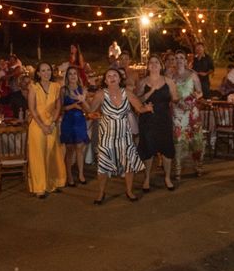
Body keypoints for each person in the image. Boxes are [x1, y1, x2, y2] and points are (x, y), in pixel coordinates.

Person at [80, 68, 152, 204]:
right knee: (103, 166)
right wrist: (83, 101)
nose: (112, 77)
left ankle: (129, 191)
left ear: (120, 79)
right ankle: (101, 193)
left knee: (129, 164)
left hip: (124, 135)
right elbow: (90, 111)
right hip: (107, 136)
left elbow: (139, 108)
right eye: (109, 76)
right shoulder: (101, 94)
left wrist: (147, 108)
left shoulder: (127, 93)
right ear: (105, 81)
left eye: (115, 75)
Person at [136, 55, 179, 192]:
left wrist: (179, 99)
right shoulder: (142, 82)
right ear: (148, 66)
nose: (154, 65)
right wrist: (152, 91)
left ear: (161, 66)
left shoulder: (168, 81)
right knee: (148, 149)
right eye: (151, 63)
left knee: (166, 148)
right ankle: (147, 178)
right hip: (148, 120)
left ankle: (167, 177)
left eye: (156, 62)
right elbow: (137, 100)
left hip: (164, 119)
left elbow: (175, 98)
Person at [27, 62, 66, 199]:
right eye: (43, 71)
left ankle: (52, 183)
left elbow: (58, 105)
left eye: (48, 70)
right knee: (38, 156)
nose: (46, 73)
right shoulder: (33, 87)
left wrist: (53, 122)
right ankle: (39, 187)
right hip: (37, 124)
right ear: (38, 73)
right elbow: (32, 109)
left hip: (51, 124)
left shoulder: (56, 86)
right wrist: (42, 125)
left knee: (51, 153)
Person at [172, 50, 205, 180]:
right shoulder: (171, 76)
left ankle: (198, 166)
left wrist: (195, 97)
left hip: (192, 111)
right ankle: (178, 169)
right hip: (178, 112)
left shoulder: (193, 74)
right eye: (176, 58)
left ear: (186, 61)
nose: (179, 60)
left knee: (195, 138)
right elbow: (169, 95)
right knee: (178, 139)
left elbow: (200, 92)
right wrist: (178, 102)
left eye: (181, 58)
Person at [60, 66, 90, 187]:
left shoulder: (82, 89)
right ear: (67, 77)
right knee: (70, 149)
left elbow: (88, 109)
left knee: (79, 149)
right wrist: (72, 106)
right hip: (68, 121)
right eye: (70, 74)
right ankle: (70, 176)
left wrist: (83, 101)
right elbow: (61, 108)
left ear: (78, 76)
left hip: (79, 121)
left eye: (75, 74)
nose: (73, 76)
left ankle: (81, 174)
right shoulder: (63, 90)